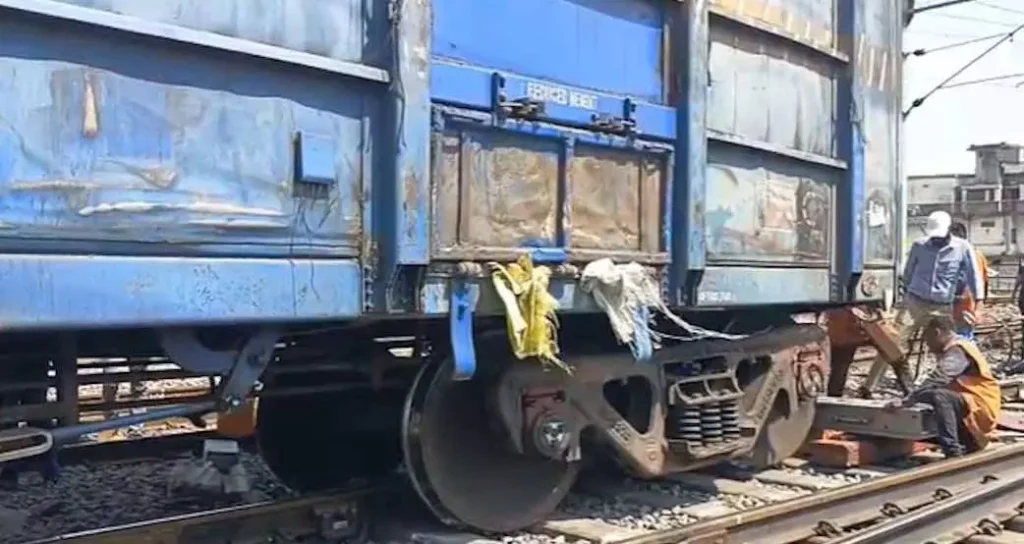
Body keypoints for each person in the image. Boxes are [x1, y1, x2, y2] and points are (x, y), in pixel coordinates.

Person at [859, 211, 984, 397]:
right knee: (891, 342)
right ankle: (869, 387)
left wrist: (979, 307)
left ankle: (950, 388)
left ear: (948, 230)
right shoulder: (919, 246)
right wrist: (909, 294)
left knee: (947, 346)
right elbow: (908, 273)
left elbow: (974, 277)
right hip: (915, 303)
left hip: (943, 306)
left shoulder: (963, 248)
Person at [886, 317, 1001, 457]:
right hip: (970, 407)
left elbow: (939, 377)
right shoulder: (956, 347)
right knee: (931, 395)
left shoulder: (958, 350)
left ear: (937, 332)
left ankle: (952, 451)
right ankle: (959, 441)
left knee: (940, 396)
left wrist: (907, 400)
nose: (928, 346)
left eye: (927, 340)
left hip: (981, 408)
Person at [949, 221, 989, 340]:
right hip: (970, 306)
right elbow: (985, 281)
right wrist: (980, 305)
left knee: (957, 339)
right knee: (966, 338)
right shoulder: (978, 255)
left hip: (957, 307)